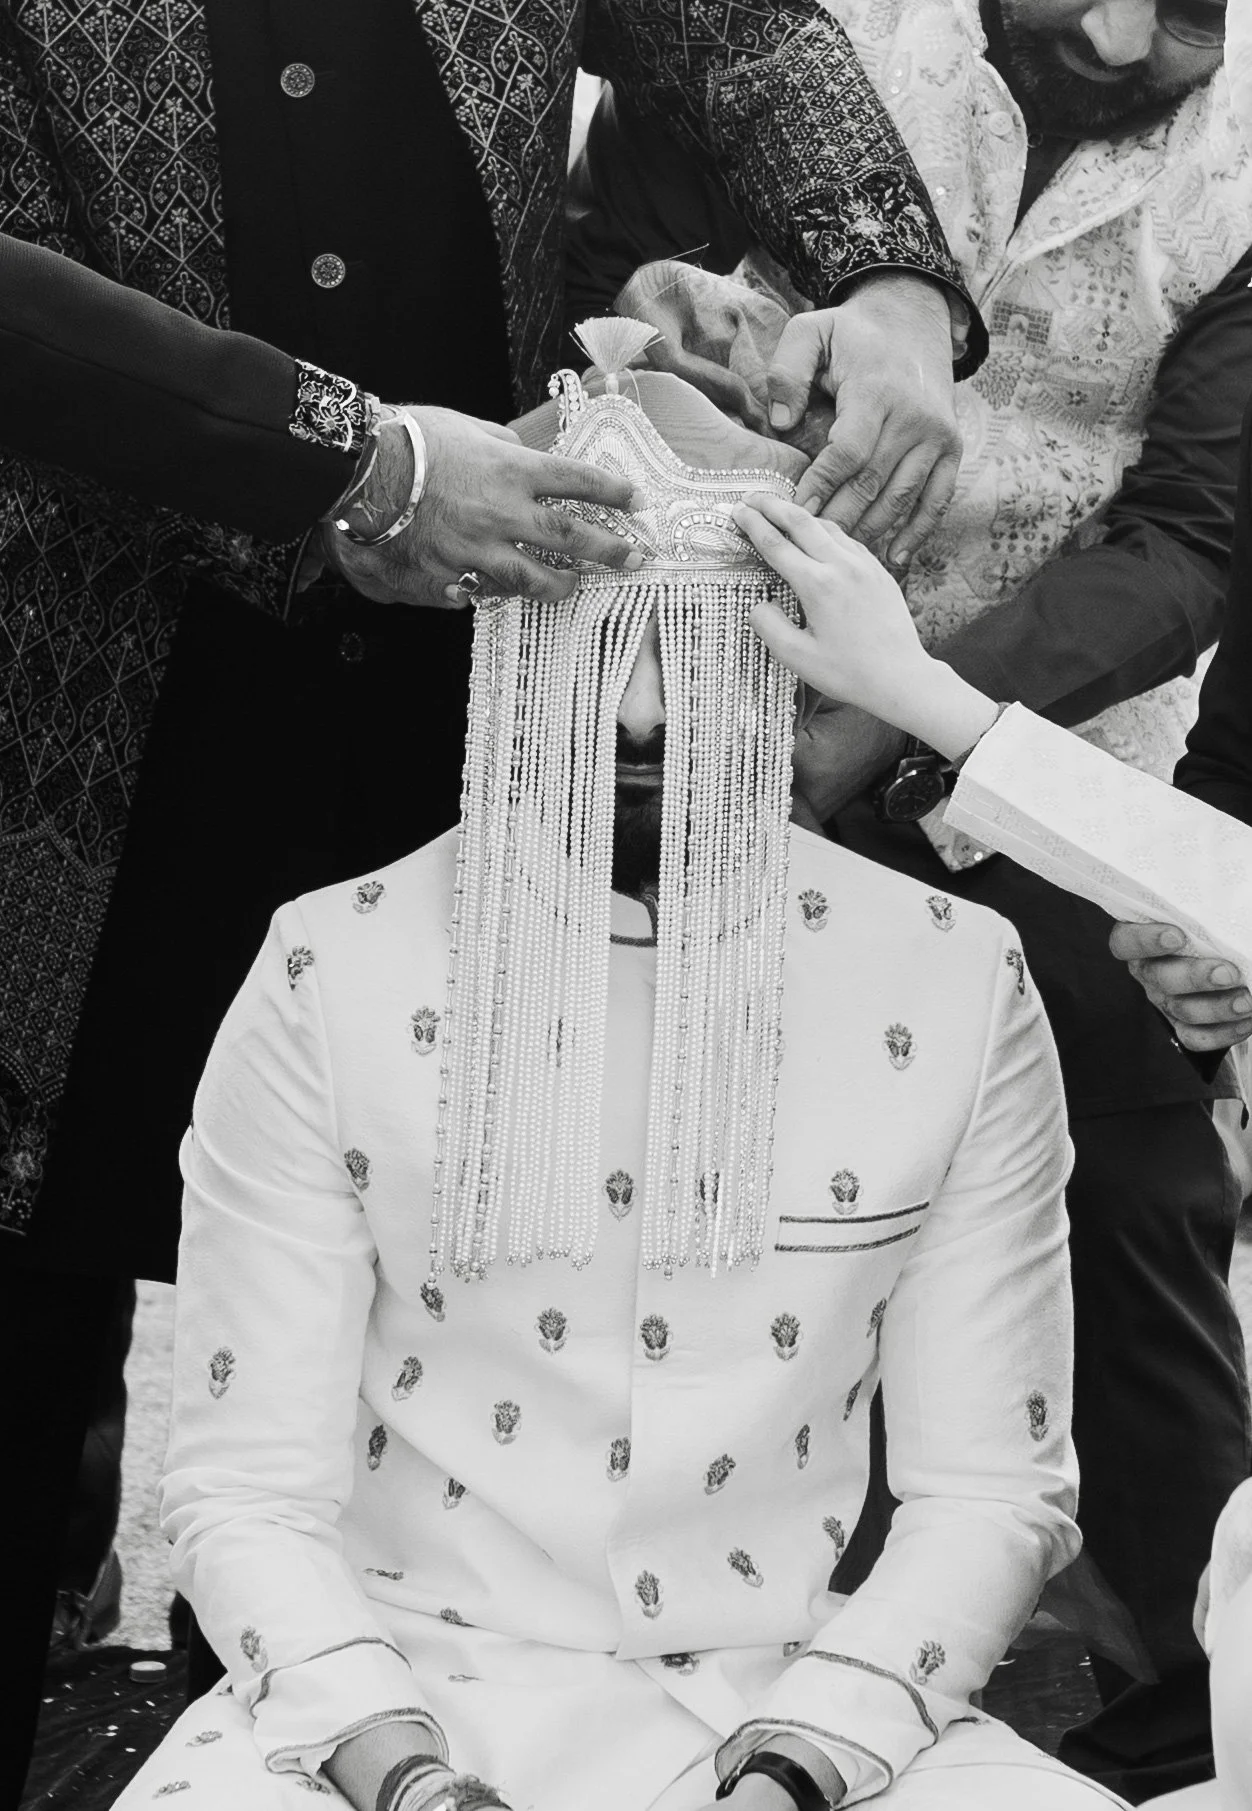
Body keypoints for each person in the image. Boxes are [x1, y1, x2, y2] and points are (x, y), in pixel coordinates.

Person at [0, 4, 986, 1793]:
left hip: (470, 729)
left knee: (408, 1377)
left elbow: (739, 29)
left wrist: (895, 278)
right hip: (59, 731)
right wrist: (353, 453)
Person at [113, 361, 1120, 1811]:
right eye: (594, 630)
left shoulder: (952, 978)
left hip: (794, 1707)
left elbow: (993, 1493)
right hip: (390, 1708)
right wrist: (408, 1779)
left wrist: (794, 1770)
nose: (643, 709)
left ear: (788, 645)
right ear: (501, 637)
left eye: (698, 637)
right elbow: (242, 1489)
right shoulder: (333, 969)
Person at [566, 1, 1252, 1793]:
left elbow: (1190, 533)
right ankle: (745, 1641)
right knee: (725, 1165)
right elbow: (589, 270)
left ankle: (1193, 1704)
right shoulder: (796, 33)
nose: (1132, 31)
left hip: (1074, 737)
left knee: (1128, 1187)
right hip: (710, 676)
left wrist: (914, 718)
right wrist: (665, 309)